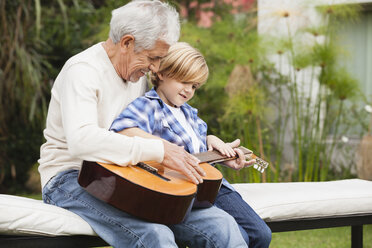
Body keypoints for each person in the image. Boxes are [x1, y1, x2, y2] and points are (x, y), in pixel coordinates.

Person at [38, 1, 248, 247]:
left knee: (221, 226)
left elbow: (168, 124)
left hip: (130, 174)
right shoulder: (83, 71)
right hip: (72, 177)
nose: (156, 68)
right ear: (127, 43)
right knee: (154, 234)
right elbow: (81, 140)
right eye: (153, 57)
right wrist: (159, 151)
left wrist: (210, 144)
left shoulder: (136, 76)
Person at [110, 42, 272, 248]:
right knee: (233, 237)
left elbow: (199, 151)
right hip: (183, 189)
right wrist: (169, 150)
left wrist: (219, 151)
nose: (188, 90)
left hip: (214, 187)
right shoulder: (149, 106)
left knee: (261, 234)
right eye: (184, 81)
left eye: (194, 86)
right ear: (161, 73)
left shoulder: (189, 113)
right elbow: (122, 130)